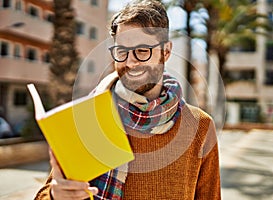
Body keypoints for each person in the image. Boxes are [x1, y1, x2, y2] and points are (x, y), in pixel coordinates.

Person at [35, 0, 221, 199]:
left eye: (142, 51)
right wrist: (56, 195)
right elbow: (46, 194)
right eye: (122, 52)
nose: (130, 62)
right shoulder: (89, 118)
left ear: (166, 51)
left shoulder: (200, 127)